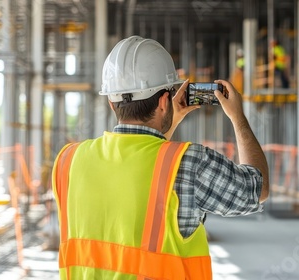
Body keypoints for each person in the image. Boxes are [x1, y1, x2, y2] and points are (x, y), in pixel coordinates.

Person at [52, 36, 269, 280]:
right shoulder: (188, 162)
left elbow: (137, 168)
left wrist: (168, 123)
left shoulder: (68, 160)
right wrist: (238, 117)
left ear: (111, 103)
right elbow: (256, 189)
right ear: (165, 101)